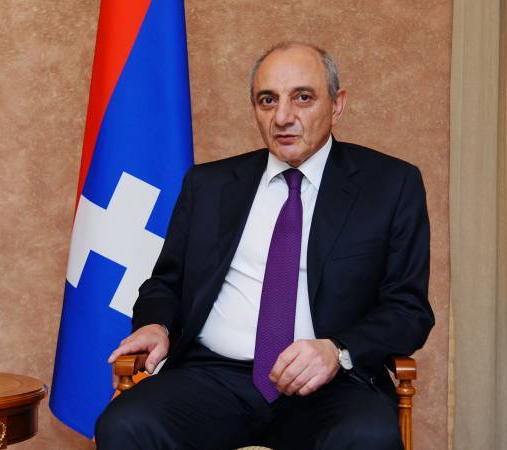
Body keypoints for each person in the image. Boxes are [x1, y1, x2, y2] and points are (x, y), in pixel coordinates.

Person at [95, 42, 434, 450]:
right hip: (214, 378)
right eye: (267, 100)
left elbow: (408, 311)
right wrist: (158, 324)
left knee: (369, 436)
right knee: (125, 423)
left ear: (337, 105)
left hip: (332, 384)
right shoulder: (208, 185)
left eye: (303, 98)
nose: (283, 117)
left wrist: (337, 350)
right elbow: (165, 284)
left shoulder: (390, 185)